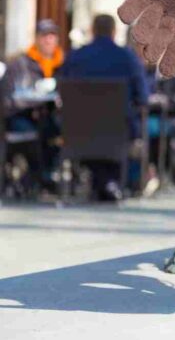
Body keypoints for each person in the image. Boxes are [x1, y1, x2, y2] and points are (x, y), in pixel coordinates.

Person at [60, 14, 150, 201]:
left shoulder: (75, 57)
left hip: (78, 130)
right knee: (135, 124)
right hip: (118, 129)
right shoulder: (128, 58)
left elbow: (61, 89)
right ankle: (110, 182)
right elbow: (143, 97)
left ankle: (102, 182)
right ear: (113, 32)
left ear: (92, 31)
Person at [1, 19, 65, 189]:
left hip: (50, 118)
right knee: (41, 131)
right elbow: (8, 100)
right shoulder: (20, 64)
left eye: (52, 36)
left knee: (58, 130)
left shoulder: (63, 65)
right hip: (20, 117)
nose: (48, 40)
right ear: (36, 39)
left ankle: (48, 175)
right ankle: (40, 177)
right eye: (44, 35)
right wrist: (32, 104)